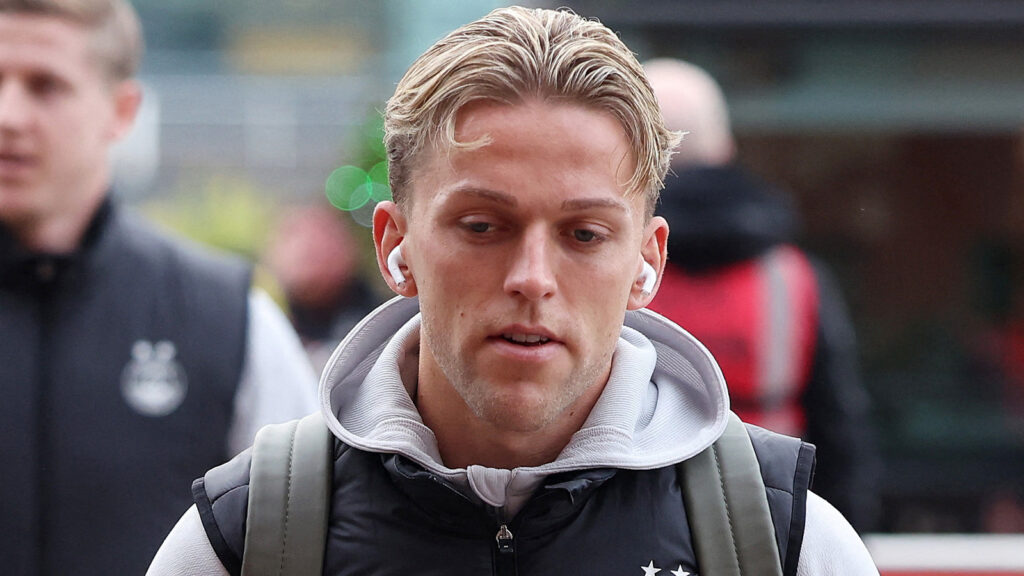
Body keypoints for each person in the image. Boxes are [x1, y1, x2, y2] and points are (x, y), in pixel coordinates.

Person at [147, 7, 878, 575]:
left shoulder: (787, 544)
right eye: (482, 225)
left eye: (583, 234)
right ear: (394, 245)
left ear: (646, 263)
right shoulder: (246, 538)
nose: (532, 277)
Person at [0, 1, 319, 574]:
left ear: (122, 111)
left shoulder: (229, 318)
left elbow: (304, 538)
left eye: (45, 85)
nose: (9, 114)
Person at [642, 58, 880, 531]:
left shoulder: (602, 267)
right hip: (770, 528)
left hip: (633, 527)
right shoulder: (794, 277)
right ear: (726, 146)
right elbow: (842, 438)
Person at [262, 201, 381, 372]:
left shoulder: (382, 322)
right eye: (296, 235)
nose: (312, 245)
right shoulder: (266, 325)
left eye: (325, 234)